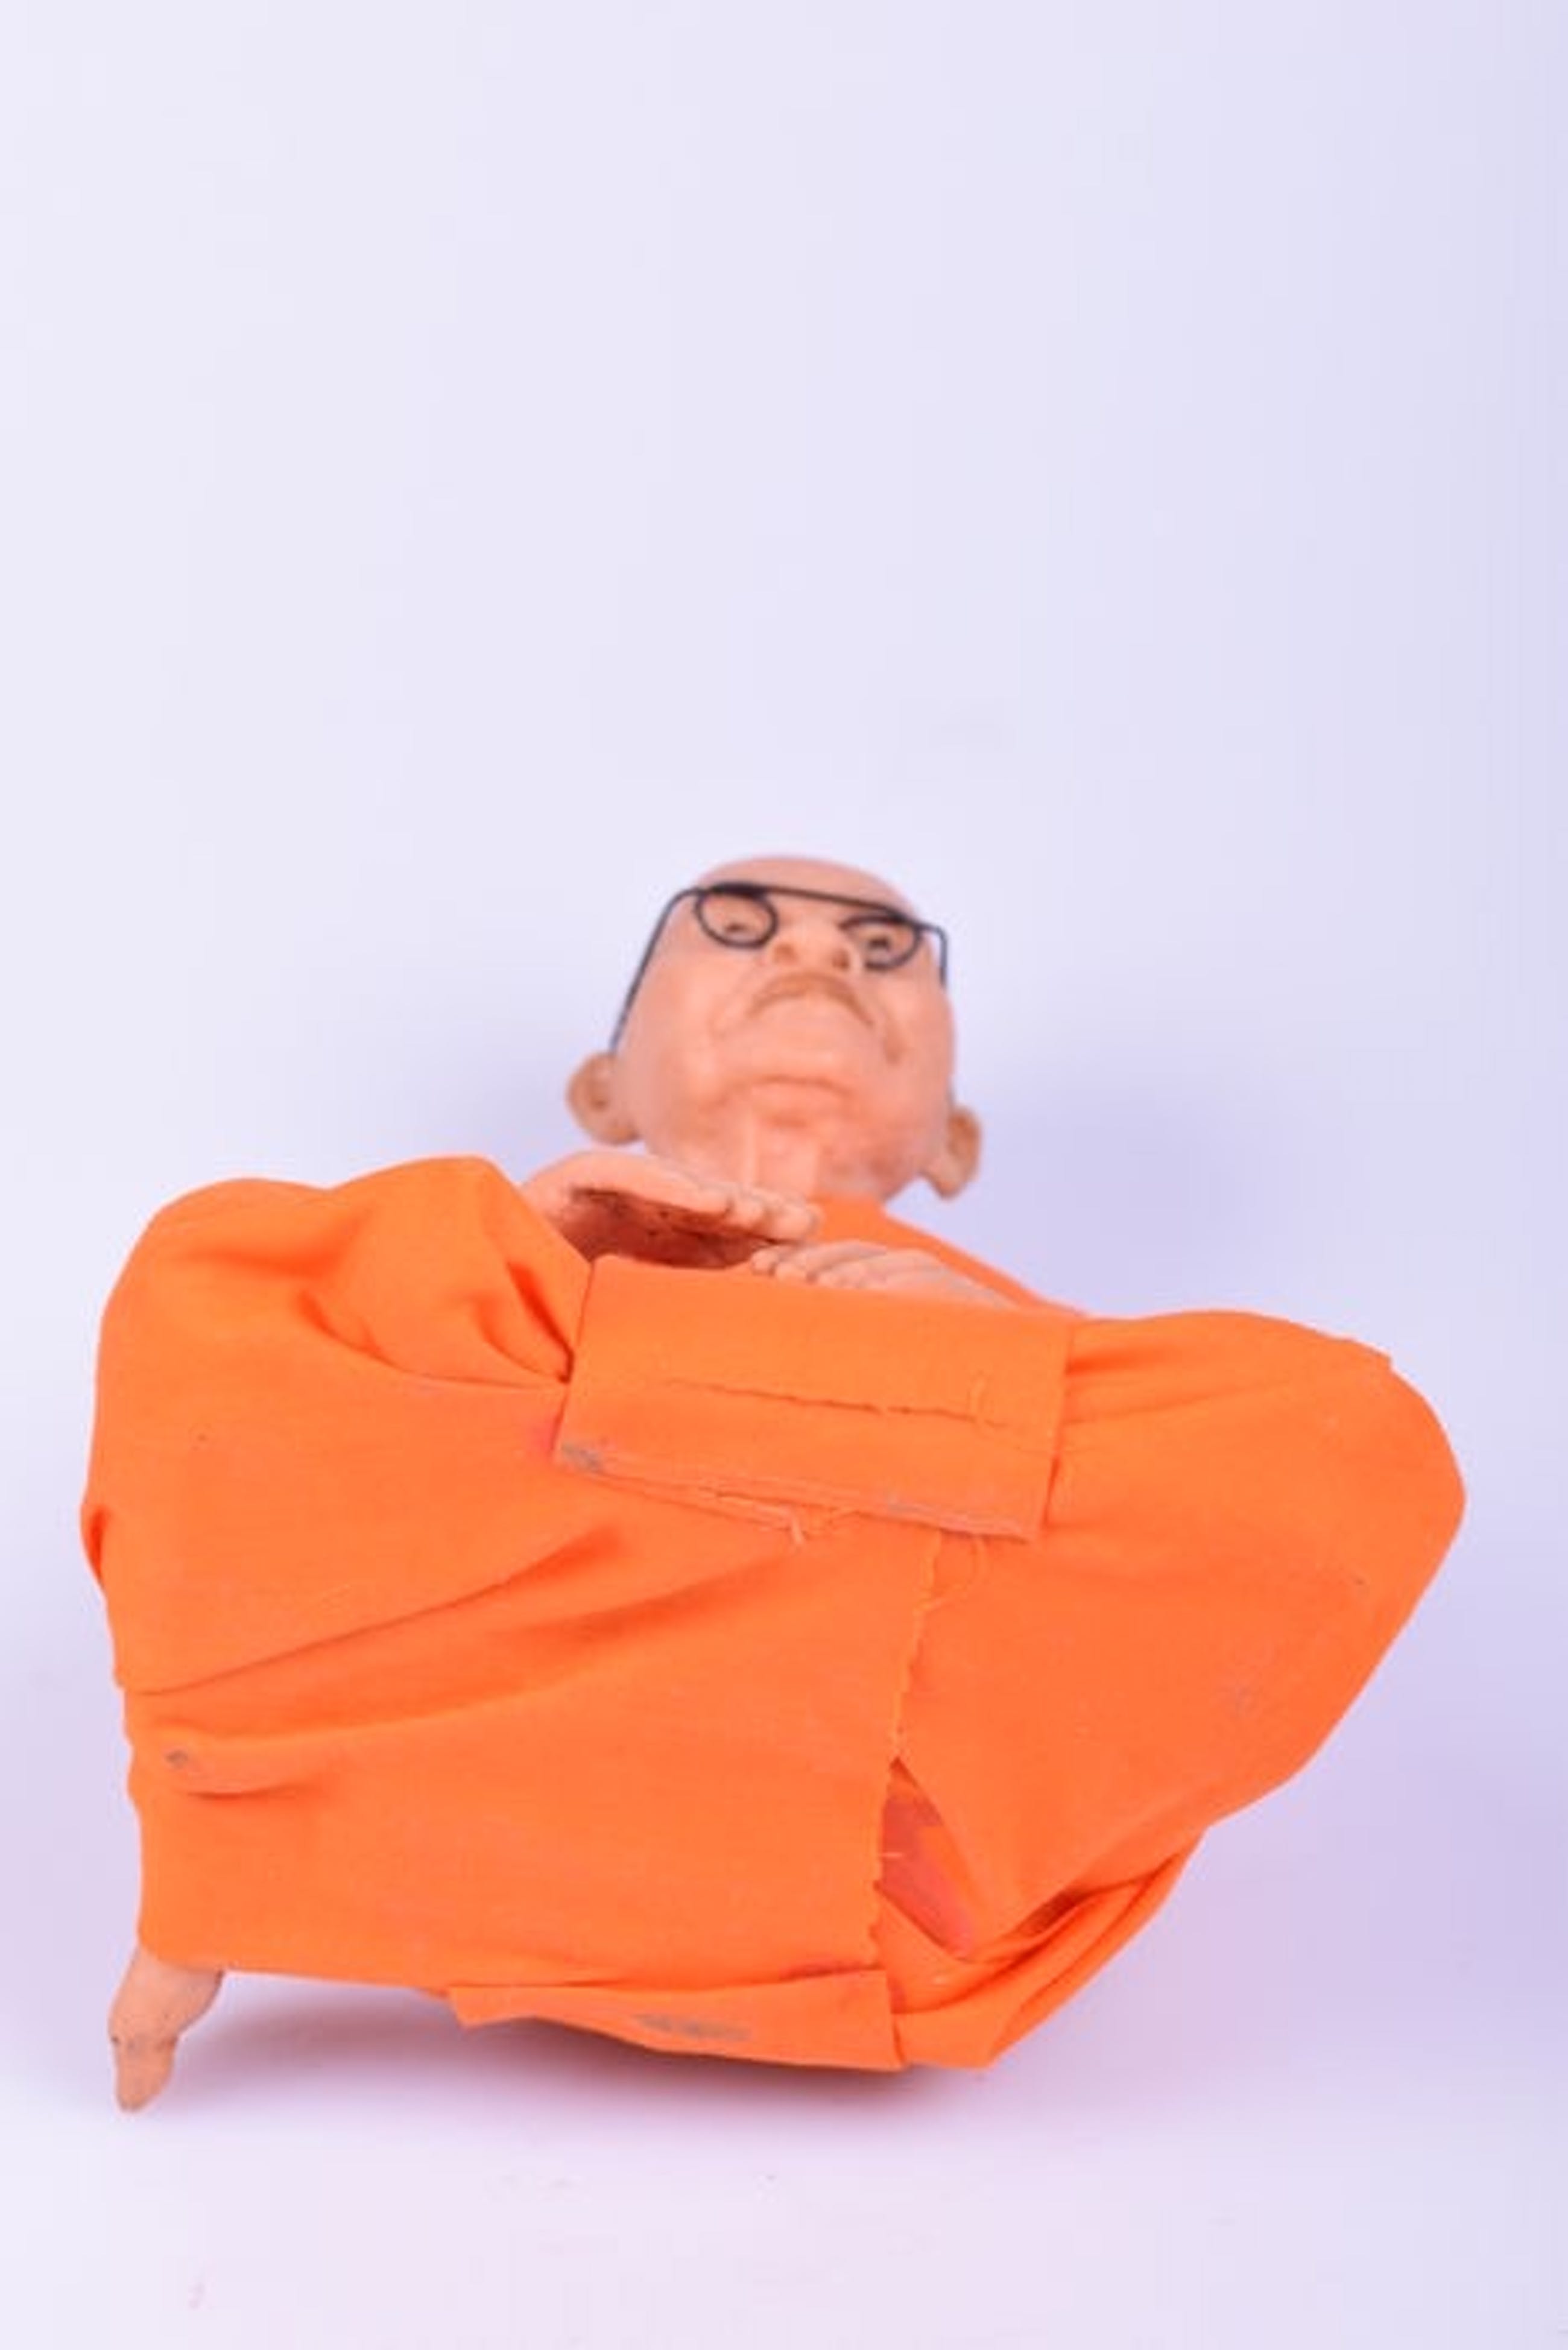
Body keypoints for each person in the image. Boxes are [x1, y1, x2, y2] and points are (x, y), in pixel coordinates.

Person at [84, 855, 1463, 2108]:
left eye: (885, 948)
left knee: (1356, 1444)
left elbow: (1296, 1500)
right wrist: (505, 1269)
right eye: (738, 927)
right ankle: (309, 1860)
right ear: (603, 1089)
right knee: (196, 1286)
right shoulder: (487, 1299)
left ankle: (545, 1804)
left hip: (869, 1863)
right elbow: (214, 1383)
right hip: (579, 1701)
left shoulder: (1057, 1364)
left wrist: (994, 1351)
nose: (816, 956)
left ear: (953, 1140)